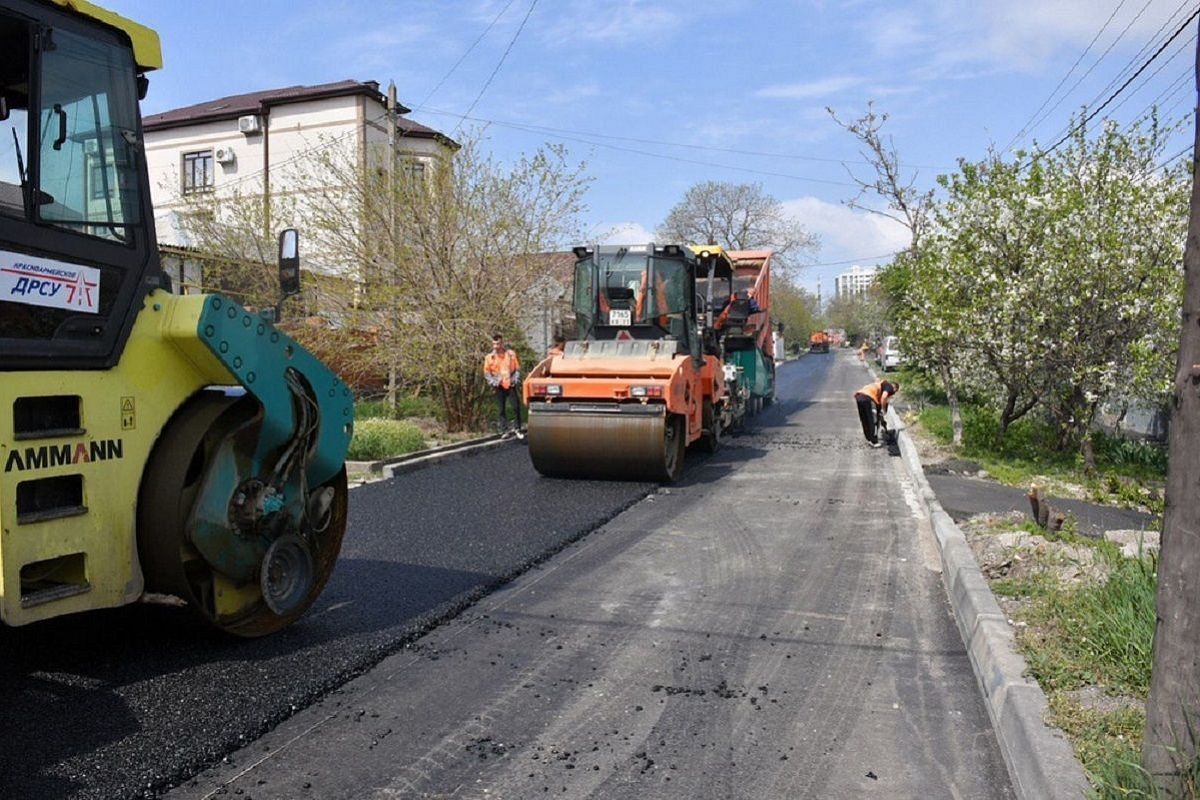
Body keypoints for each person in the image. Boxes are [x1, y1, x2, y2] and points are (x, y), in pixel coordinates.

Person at [484, 334, 523, 439]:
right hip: (499, 385)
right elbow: (487, 373)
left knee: (516, 406)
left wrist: (515, 380)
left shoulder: (510, 355)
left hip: (510, 384)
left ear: (502, 343)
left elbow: (517, 369)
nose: (496, 346)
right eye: (494, 344)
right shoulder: (489, 357)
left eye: (498, 343)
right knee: (501, 409)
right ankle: (504, 430)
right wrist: (494, 383)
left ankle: (517, 428)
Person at [854, 379, 898, 448]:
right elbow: (884, 397)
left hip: (859, 396)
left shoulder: (880, 386)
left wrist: (882, 417)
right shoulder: (889, 386)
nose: (892, 393)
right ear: (894, 388)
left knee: (865, 419)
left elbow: (880, 403)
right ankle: (874, 441)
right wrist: (883, 410)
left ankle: (869, 439)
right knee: (873, 420)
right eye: (894, 392)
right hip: (867, 397)